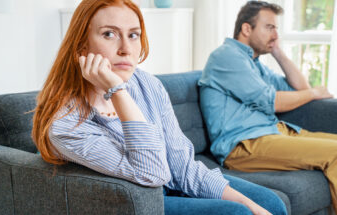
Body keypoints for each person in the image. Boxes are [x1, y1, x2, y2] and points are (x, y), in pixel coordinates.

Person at [32, 0, 287, 214]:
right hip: (138, 201)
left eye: (133, 35)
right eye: (109, 34)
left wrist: (249, 203)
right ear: (81, 44)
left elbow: (181, 166)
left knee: (269, 203)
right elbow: (153, 174)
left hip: (170, 183)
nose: (126, 49)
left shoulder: (146, 84)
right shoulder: (64, 123)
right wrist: (117, 91)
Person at [199, 0, 337, 212]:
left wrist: (278, 53)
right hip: (244, 144)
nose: (275, 34)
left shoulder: (254, 64)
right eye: (269, 27)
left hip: (274, 133)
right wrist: (313, 93)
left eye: (276, 28)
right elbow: (272, 101)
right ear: (247, 28)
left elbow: (299, 87)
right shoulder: (226, 57)